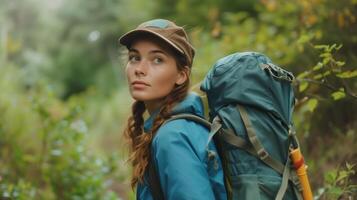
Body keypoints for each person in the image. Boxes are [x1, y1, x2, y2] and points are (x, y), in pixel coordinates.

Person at [119, 19, 227, 200]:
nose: (140, 69)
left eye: (157, 60)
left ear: (181, 75)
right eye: (135, 57)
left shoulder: (173, 136)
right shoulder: (184, 126)